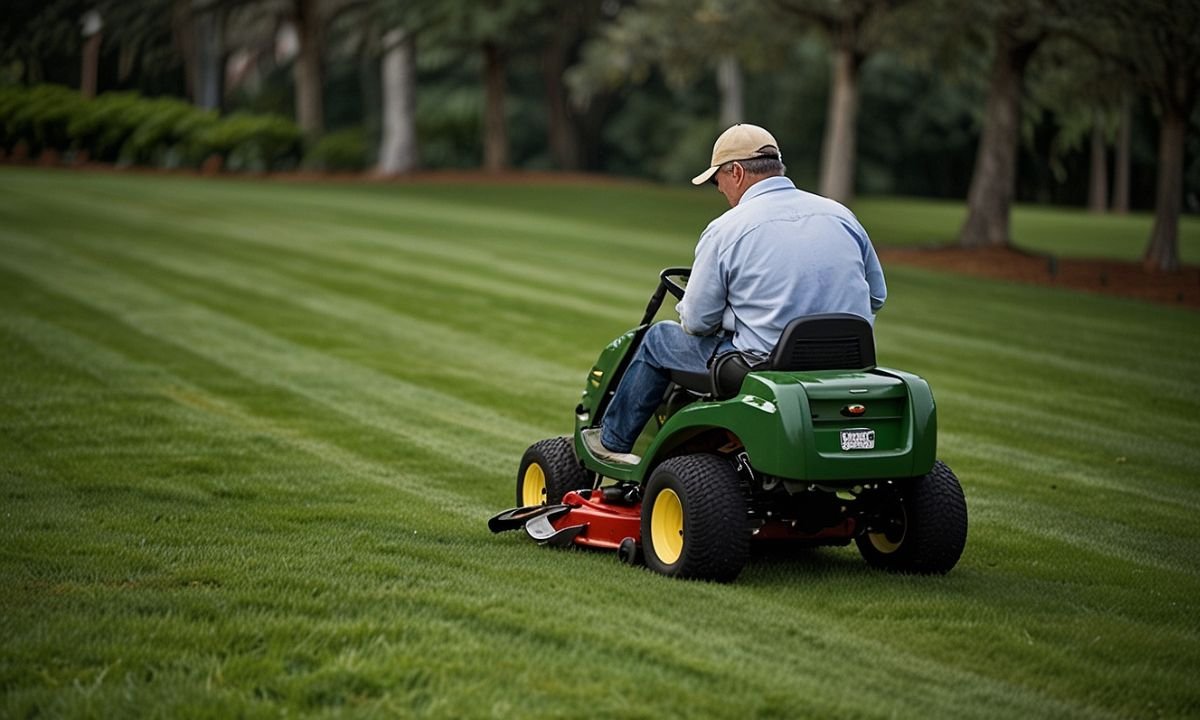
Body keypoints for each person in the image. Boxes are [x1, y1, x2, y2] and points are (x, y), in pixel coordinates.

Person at [582, 123, 887, 465]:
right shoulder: (840, 215)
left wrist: (731, 317)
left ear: (737, 172)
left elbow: (697, 322)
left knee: (657, 340)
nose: (719, 190)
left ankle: (612, 441)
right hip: (849, 359)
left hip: (764, 364)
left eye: (717, 180)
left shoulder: (729, 228)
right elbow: (876, 296)